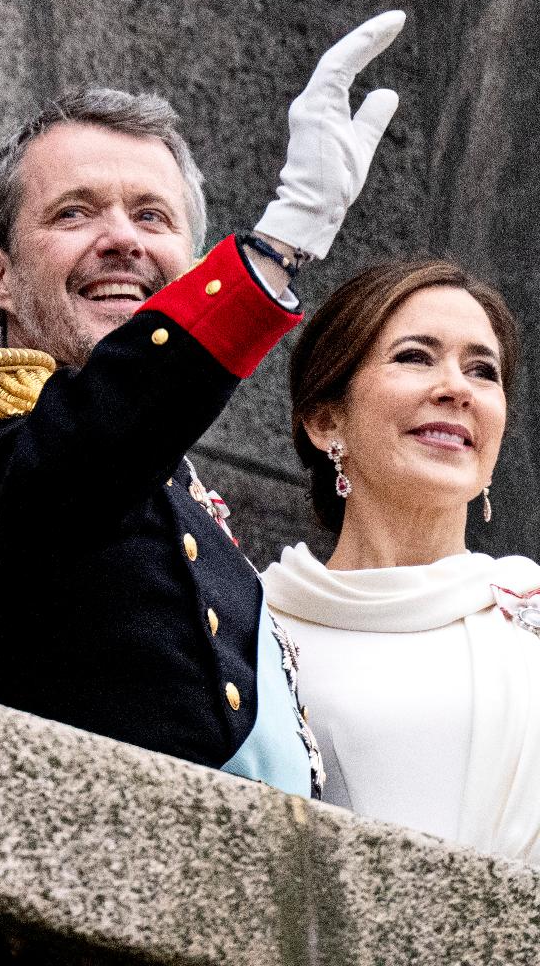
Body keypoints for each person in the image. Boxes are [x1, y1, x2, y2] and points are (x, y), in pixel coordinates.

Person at [0, 11, 407, 797]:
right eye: (74, 212)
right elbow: (88, 453)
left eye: (151, 216)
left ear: (189, 266)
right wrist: (277, 246)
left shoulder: (176, 486)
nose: (122, 240)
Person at [262, 260, 540, 860]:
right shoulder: (252, 630)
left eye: (482, 371)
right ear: (325, 418)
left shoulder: (529, 608)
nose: (456, 389)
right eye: (415, 356)